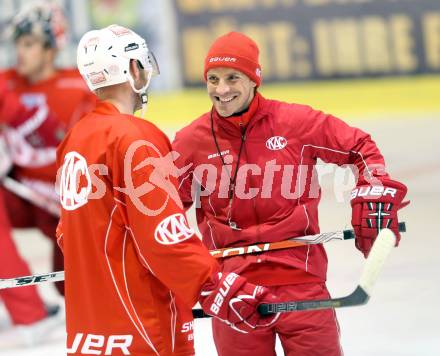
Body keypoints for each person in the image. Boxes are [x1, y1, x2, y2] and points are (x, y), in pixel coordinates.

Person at [171, 31, 409, 356]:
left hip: (302, 283)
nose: (221, 89)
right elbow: (164, 215)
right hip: (234, 294)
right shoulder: (190, 141)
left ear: (255, 78)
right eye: (212, 79)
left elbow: (359, 147)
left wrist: (374, 187)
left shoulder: (294, 122)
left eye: (232, 78)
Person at [56, 24, 278, 356]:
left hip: (90, 328)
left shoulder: (76, 138)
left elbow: (67, 234)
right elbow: (163, 234)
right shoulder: (135, 137)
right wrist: (215, 286)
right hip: (142, 325)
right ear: (132, 69)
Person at [0, 0, 97, 301]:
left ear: (52, 47)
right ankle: (25, 307)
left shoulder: (79, 87)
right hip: (21, 193)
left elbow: (92, 150)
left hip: (67, 202)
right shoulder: (7, 83)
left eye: (30, 43)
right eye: (19, 43)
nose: (21, 52)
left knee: (69, 286)